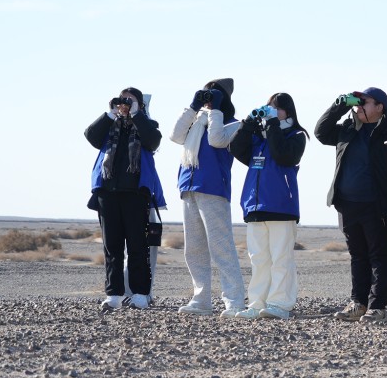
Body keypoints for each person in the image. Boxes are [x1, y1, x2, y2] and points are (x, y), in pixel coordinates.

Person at [315, 87, 387, 324]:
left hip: (377, 205)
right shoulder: (347, 130)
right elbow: (320, 132)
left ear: (380, 107)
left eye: (363, 102)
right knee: (358, 256)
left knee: (380, 257)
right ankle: (358, 302)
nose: (358, 107)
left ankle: (377, 306)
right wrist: (340, 104)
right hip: (347, 203)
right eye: (357, 103)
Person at [169, 79, 246, 318]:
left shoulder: (233, 124)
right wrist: (193, 108)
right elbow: (175, 135)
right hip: (188, 187)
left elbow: (216, 140)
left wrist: (216, 110)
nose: (208, 97)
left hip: (213, 189)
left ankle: (234, 301)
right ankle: (201, 299)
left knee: (221, 247)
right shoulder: (196, 123)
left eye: (214, 93)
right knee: (194, 249)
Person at [228, 93, 307, 320]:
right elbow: (235, 149)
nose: (271, 111)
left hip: (282, 206)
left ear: (288, 112)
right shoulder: (259, 139)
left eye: (276, 108)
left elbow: (283, 155)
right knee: (259, 258)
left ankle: (280, 303)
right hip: (255, 206)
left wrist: (272, 124)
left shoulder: (296, 135)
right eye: (269, 107)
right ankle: (256, 303)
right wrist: (248, 125)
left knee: (280, 258)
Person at [85, 88, 164, 311]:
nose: (125, 104)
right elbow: (91, 136)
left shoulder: (147, 125)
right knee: (112, 247)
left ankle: (140, 294)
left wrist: (137, 114)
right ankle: (114, 295)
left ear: (140, 104)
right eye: (123, 100)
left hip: (136, 193)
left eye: (131, 101)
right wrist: (110, 113)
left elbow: (153, 141)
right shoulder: (109, 127)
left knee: (138, 246)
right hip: (107, 192)